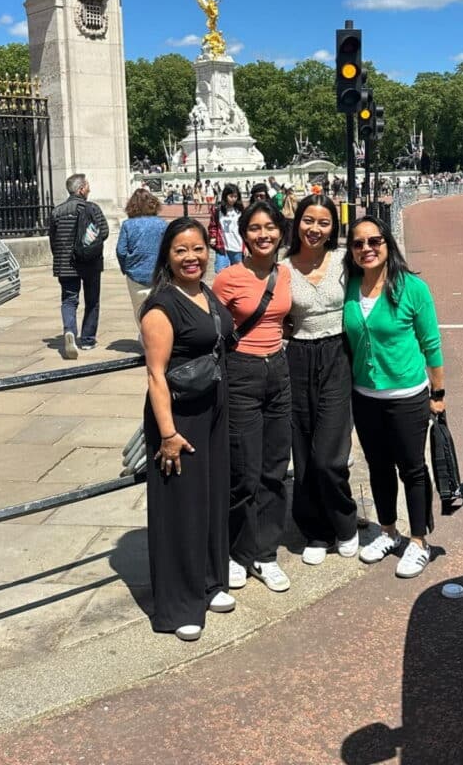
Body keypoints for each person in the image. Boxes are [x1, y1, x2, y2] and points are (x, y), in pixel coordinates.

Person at [139, 217, 235, 641]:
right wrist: (167, 434)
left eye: (197, 248)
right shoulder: (162, 304)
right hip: (178, 417)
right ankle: (179, 605)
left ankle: (210, 581)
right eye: (180, 250)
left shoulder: (204, 293)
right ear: (167, 256)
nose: (191, 257)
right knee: (181, 507)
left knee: (211, 498)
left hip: (212, 408)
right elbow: (156, 375)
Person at [343, 215, 445, 579]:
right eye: (358, 243)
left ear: (388, 244)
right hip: (365, 395)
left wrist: (439, 393)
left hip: (406, 394)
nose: (367, 249)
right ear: (351, 250)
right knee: (378, 467)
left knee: (413, 468)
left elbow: (431, 343)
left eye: (374, 241)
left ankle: (419, 542)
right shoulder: (350, 287)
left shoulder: (412, 288)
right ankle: (388, 531)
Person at [212, 201, 293, 593]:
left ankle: (266, 553)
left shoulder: (285, 274)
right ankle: (238, 552)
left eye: (270, 228)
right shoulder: (228, 278)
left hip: (278, 369)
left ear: (280, 232)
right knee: (244, 471)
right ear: (243, 236)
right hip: (241, 372)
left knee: (275, 469)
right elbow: (211, 330)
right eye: (255, 229)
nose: (264, 235)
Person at [286, 195, 357, 565]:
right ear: (297, 222)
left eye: (324, 222)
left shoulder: (344, 261)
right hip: (296, 356)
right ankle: (315, 530)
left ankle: (345, 523)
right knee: (303, 452)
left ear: (334, 227)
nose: (315, 228)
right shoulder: (283, 267)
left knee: (329, 455)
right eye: (309, 220)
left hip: (337, 355)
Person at [49, 173, 109, 357]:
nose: (89, 189)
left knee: (69, 299)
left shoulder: (57, 211)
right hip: (89, 262)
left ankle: (69, 331)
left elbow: (52, 239)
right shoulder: (92, 208)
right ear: (81, 189)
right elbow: (104, 232)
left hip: (65, 263)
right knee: (92, 300)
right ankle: (88, 339)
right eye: (87, 186)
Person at [116, 188, 169, 329]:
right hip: (158, 273)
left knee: (139, 309)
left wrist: (125, 267)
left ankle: (145, 336)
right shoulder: (162, 224)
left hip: (135, 273)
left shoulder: (128, 225)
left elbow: (121, 250)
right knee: (160, 308)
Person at [208, 184, 244, 274]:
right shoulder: (217, 210)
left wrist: (246, 246)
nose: (233, 199)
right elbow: (213, 225)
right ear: (225, 196)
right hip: (222, 247)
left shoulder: (241, 211)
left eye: (235, 196)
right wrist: (213, 237)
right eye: (231, 196)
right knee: (220, 271)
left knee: (238, 273)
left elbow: (245, 229)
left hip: (237, 247)